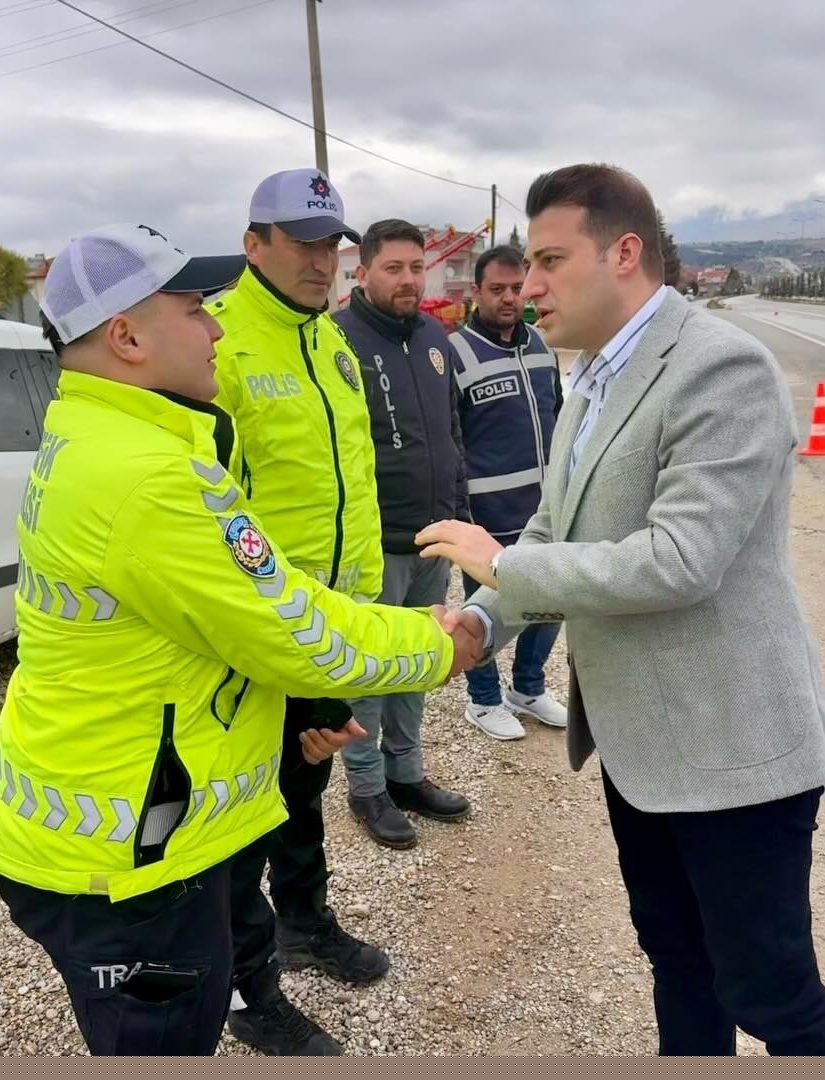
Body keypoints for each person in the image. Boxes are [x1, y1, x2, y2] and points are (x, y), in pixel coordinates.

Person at [0, 223, 481, 1057]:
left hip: (112, 827)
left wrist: (304, 701)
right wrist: (435, 642)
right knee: (164, 1035)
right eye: (193, 311)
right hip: (128, 867)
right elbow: (292, 631)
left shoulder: (109, 437)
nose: (215, 329)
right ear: (126, 336)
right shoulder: (148, 475)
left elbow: (225, 619)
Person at [417, 163, 825, 1057]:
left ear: (624, 252)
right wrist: (485, 621)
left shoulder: (720, 367)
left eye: (549, 259)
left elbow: (680, 561)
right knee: (677, 965)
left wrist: (499, 562)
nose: (526, 284)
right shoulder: (590, 377)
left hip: (733, 752)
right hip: (639, 747)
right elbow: (552, 528)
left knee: (770, 992)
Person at [206, 169, 394, 1055]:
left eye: (332, 244)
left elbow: (350, 487)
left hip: (328, 627)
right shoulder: (218, 342)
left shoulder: (331, 344)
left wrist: (355, 622)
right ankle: (249, 992)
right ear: (255, 244)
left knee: (305, 788)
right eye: (304, 242)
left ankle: (306, 922)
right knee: (245, 818)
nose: (324, 261)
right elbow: (209, 516)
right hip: (252, 639)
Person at [330, 218, 473, 850]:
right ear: (362, 273)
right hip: (374, 545)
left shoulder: (437, 337)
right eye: (394, 268)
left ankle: (406, 773)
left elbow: (450, 436)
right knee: (367, 672)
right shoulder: (339, 341)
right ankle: (366, 789)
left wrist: (459, 515)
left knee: (417, 666)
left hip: (432, 541)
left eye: (417, 267)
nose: (409, 279)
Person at [447, 243, 567, 741]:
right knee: (486, 612)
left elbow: (559, 418)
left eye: (517, 289)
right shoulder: (454, 354)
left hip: (544, 512)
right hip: (487, 519)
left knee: (549, 603)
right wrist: (461, 515)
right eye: (497, 290)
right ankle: (484, 700)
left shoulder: (541, 344)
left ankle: (528, 688)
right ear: (477, 292)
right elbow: (450, 439)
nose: (509, 299)